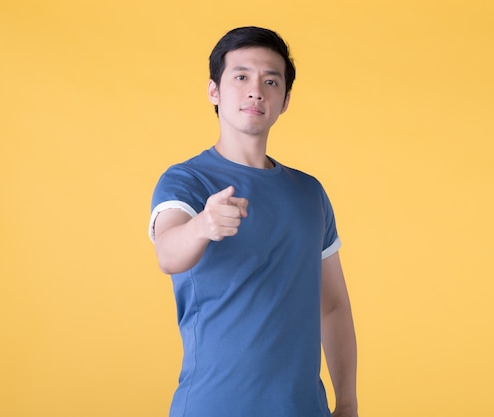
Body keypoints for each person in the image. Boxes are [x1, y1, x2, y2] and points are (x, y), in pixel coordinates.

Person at [149, 26, 358, 417]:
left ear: (285, 100)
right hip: (212, 407)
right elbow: (168, 253)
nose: (255, 90)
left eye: (270, 80)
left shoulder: (309, 193)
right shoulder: (186, 181)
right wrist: (203, 226)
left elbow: (333, 307)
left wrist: (347, 401)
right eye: (241, 76)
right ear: (215, 91)